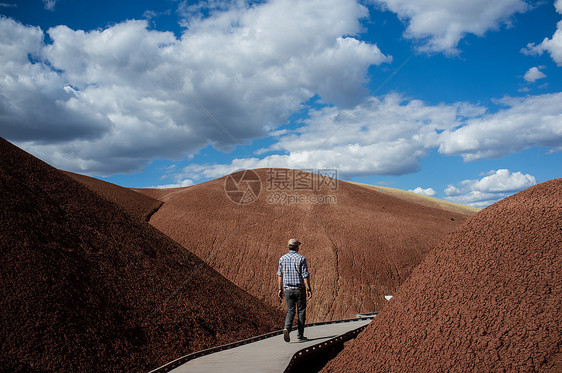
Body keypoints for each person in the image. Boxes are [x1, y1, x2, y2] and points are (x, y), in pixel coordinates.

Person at [277, 238, 312, 342]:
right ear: (297, 247)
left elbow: (279, 275)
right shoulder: (301, 258)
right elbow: (305, 275)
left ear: (288, 247)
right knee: (301, 311)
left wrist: (280, 289)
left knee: (290, 311)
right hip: (299, 289)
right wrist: (309, 289)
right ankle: (300, 336)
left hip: (287, 289)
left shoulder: (282, 258)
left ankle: (287, 328)